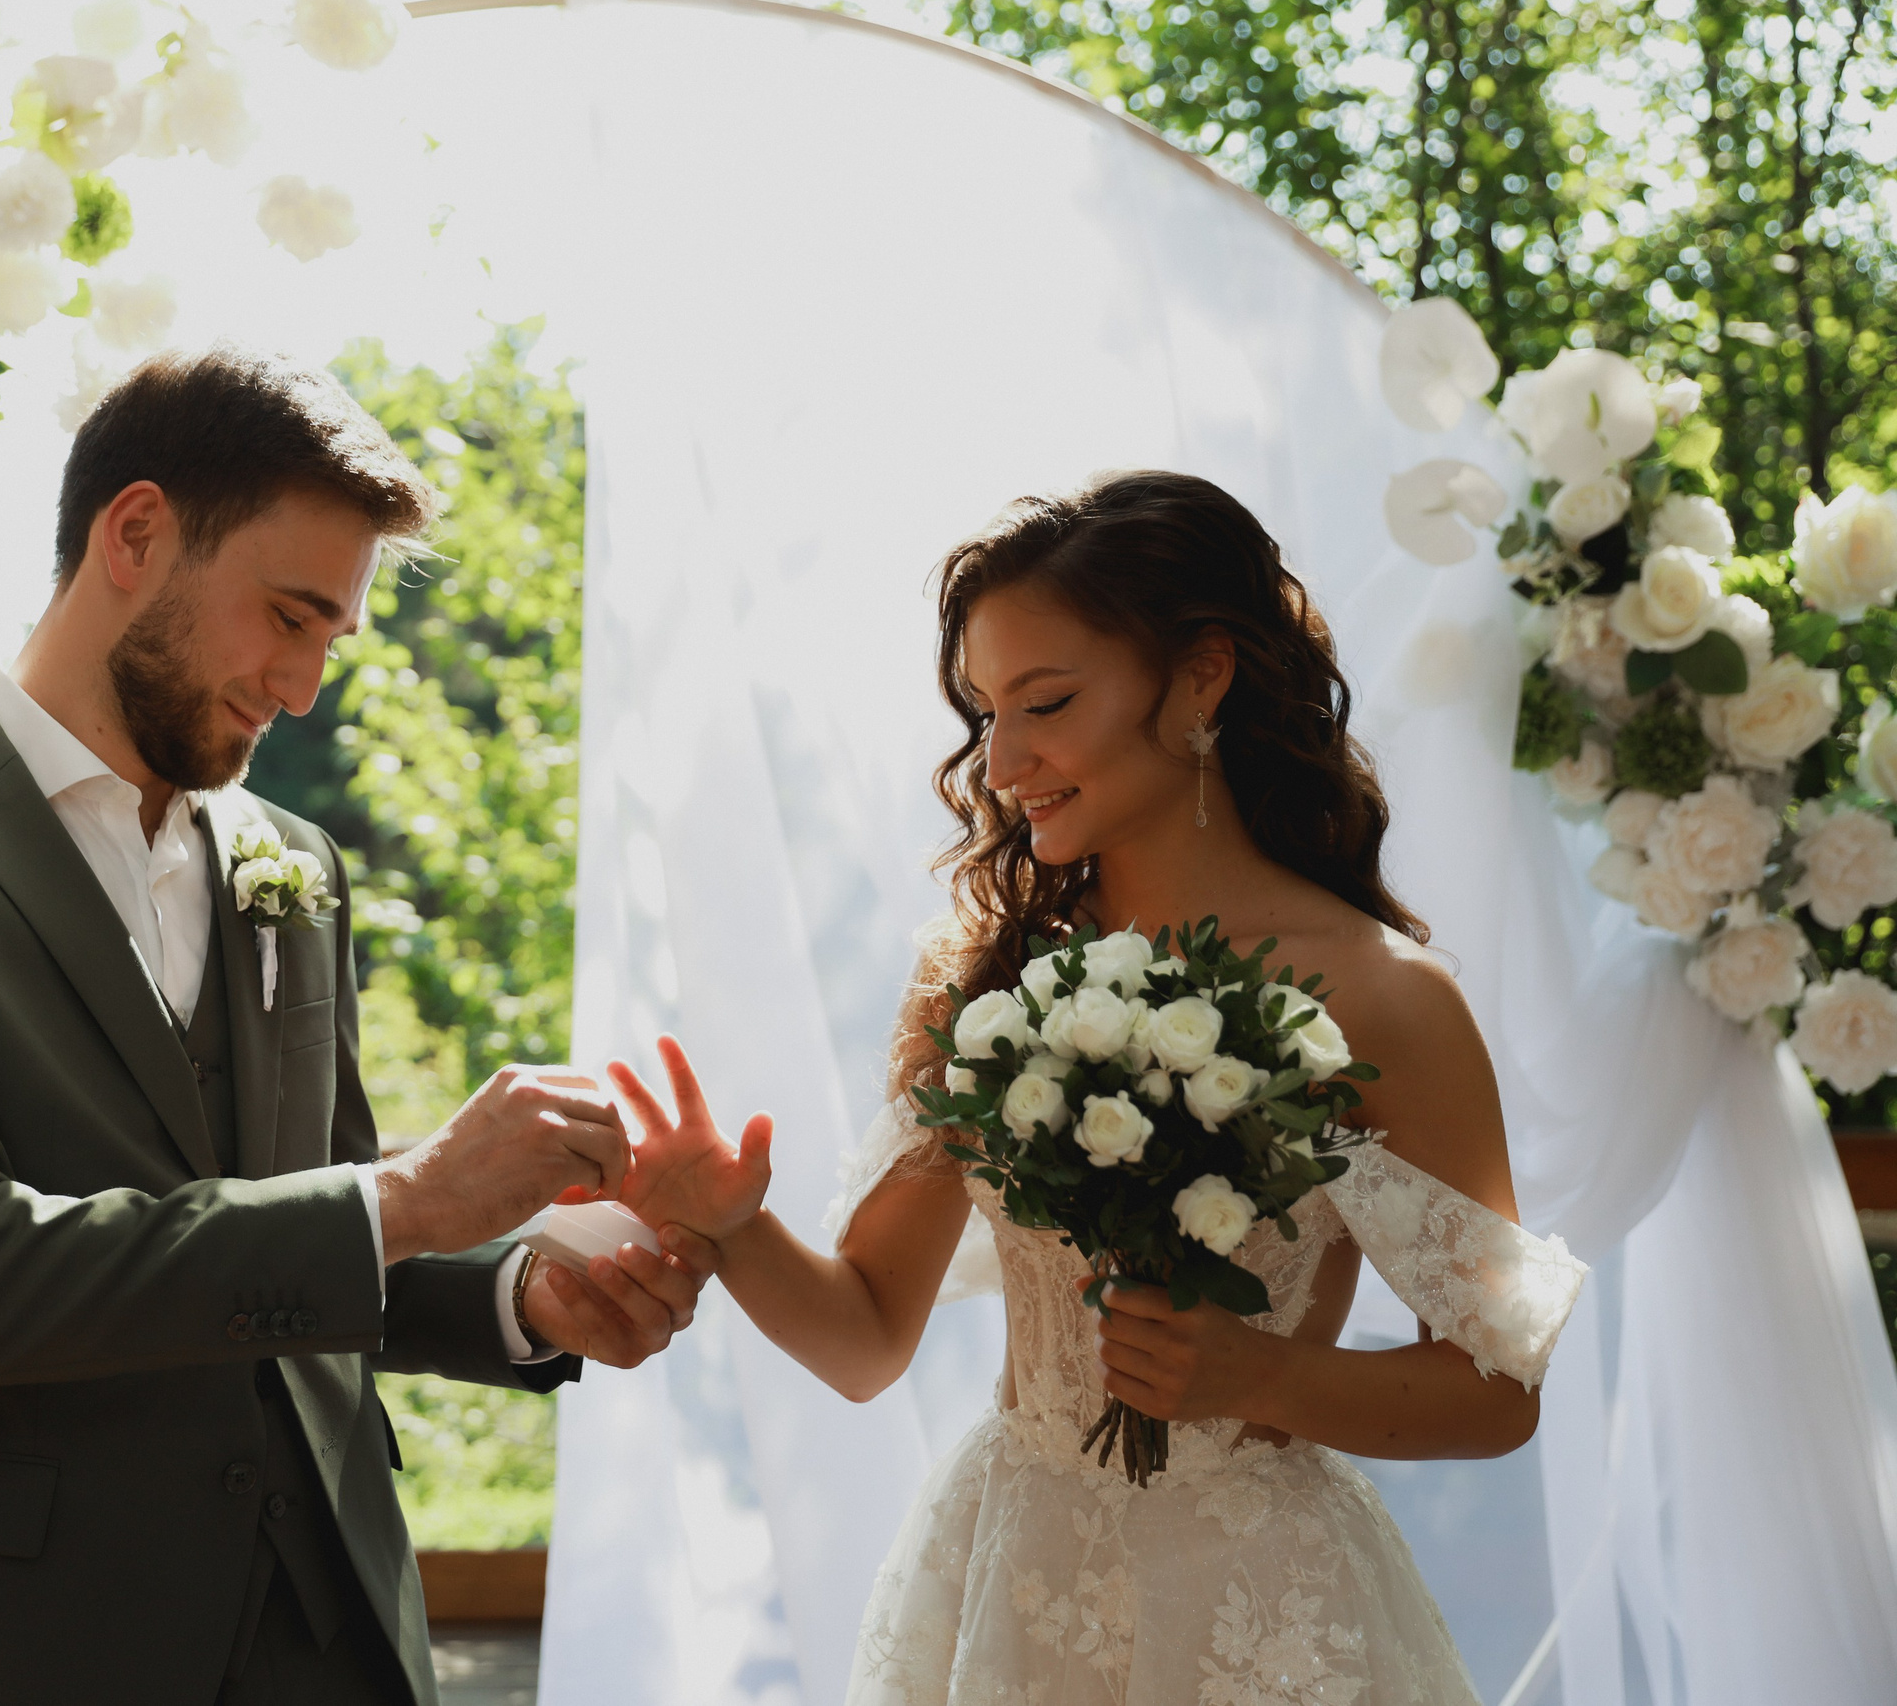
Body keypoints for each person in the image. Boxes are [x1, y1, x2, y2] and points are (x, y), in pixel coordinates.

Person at [0, 344, 709, 1706]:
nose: (302, 687)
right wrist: (414, 1192)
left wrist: (525, 1294)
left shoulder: (294, 861)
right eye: (288, 615)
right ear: (135, 533)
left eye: (330, 639)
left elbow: (320, 1237)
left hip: (329, 1636)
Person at [613, 471, 1586, 1703]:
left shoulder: (1383, 998)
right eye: (983, 713)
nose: (1003, 761)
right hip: (1008, 1588)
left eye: (1047, 703)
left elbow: (1497, 1393)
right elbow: (862, 1339)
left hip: (1264, 1611)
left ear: (1199, 677)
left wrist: (1261, 1377)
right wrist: (731, 1225)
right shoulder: (983, 971)